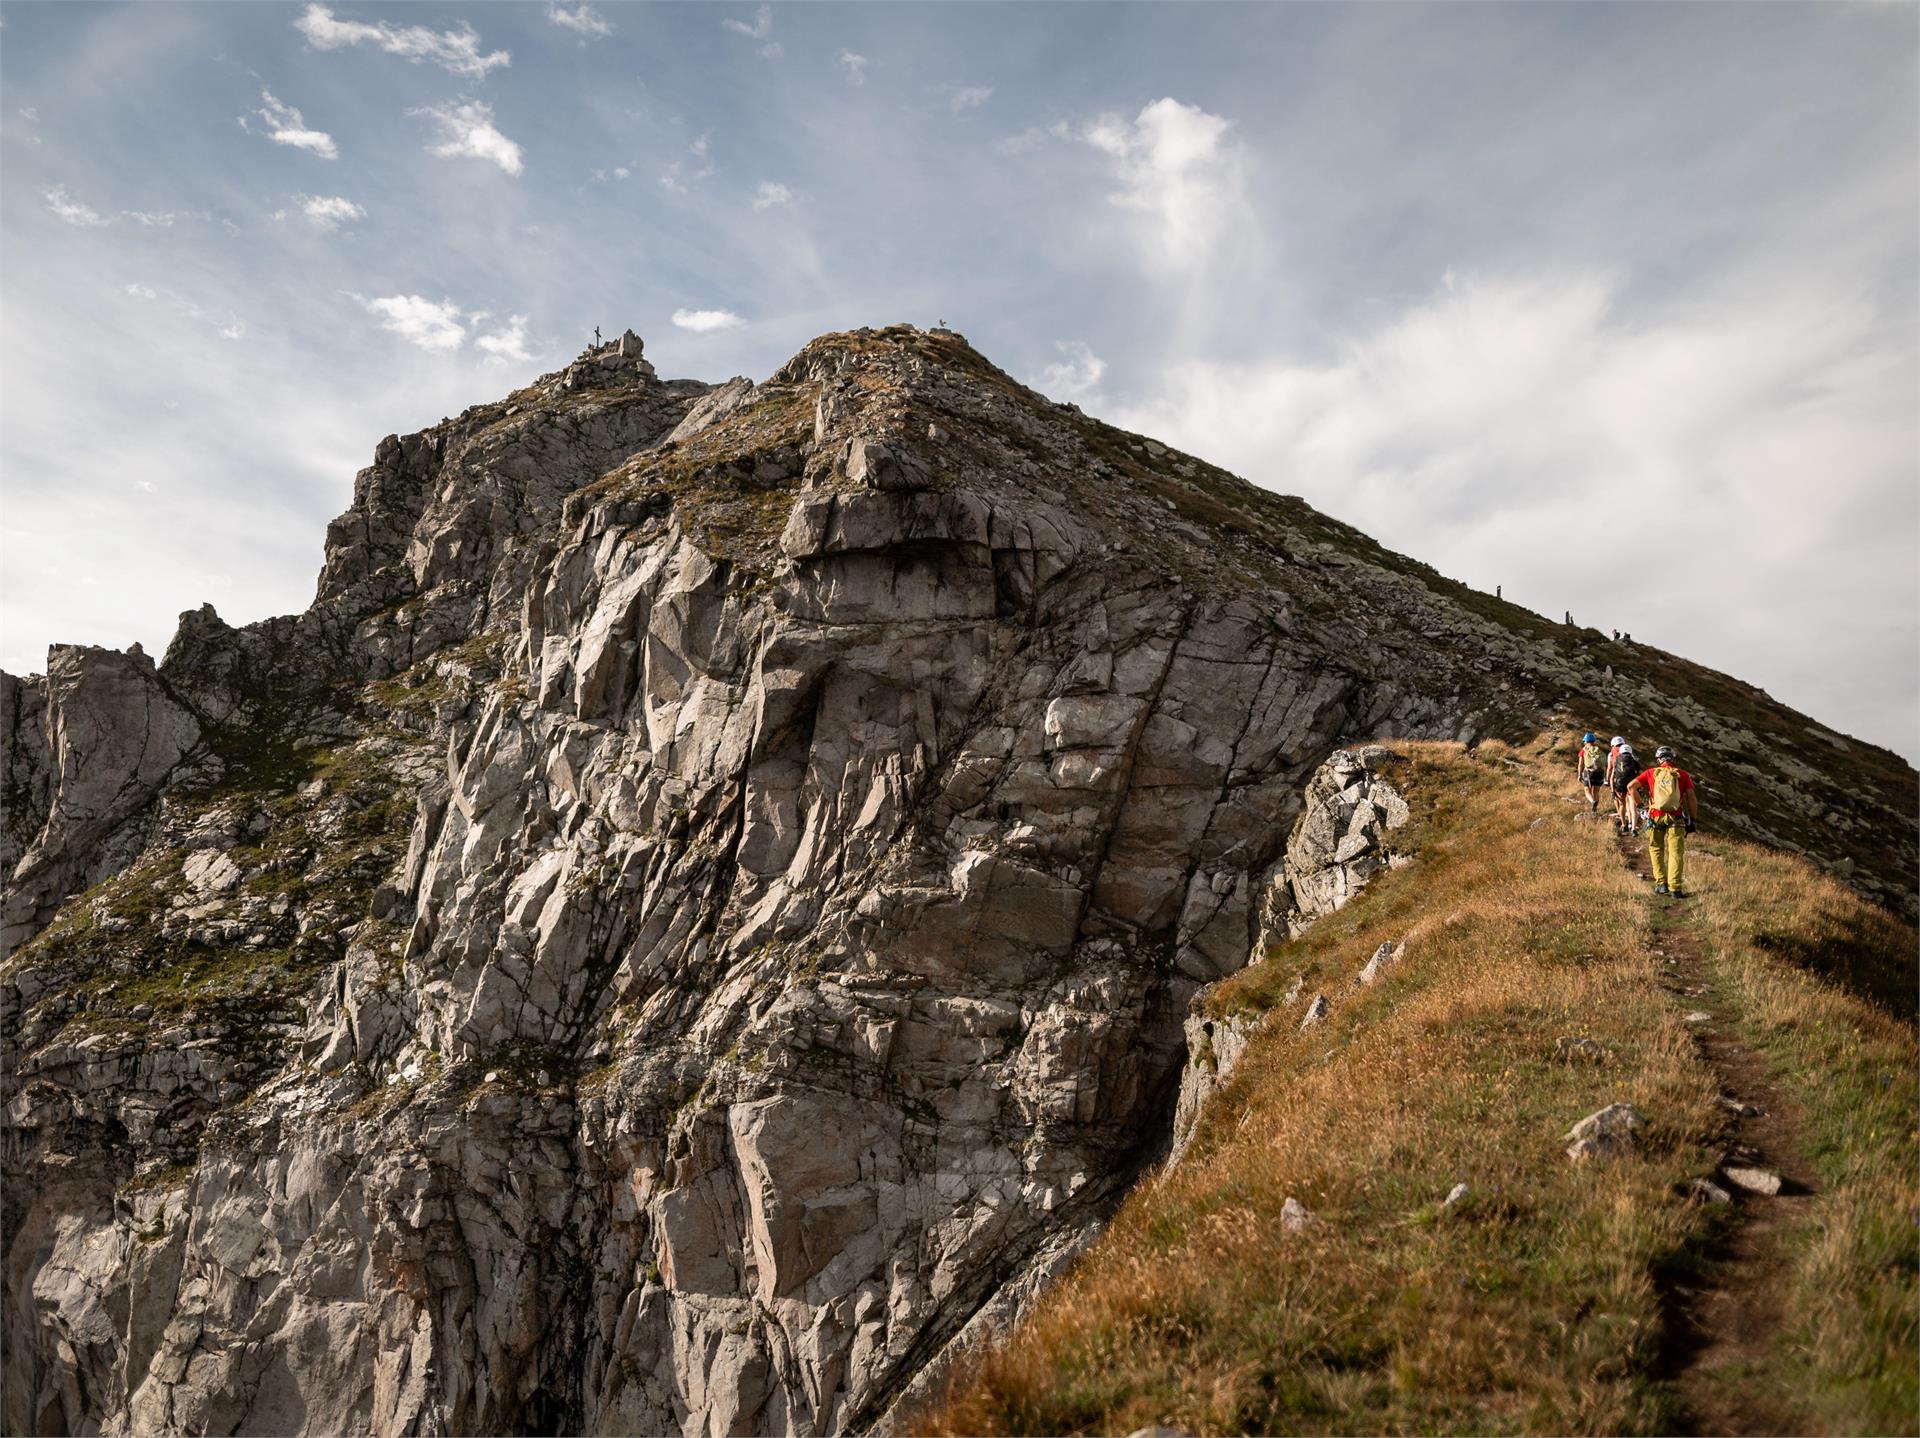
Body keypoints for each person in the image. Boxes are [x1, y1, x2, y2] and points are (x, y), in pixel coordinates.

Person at [1626, 745, 1698, 896]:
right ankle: (1675, 889)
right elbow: (1691, 797)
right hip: (1676, 818)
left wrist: (1640, 807)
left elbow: (1630, 787)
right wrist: (1693, 820)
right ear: (1672, 759)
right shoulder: (1682, 775)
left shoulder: (1651, 773)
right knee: (1675, 852)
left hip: (1655, 816)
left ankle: (1661, 884)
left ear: (1658, 759)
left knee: (1656, 849)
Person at [1609, 738, 1641, 833]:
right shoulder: (1634, 760)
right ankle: (1633, 828)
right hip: (1632, 786)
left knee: (1622, 805)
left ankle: (1624, 825)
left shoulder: (1616, 761)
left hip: (1619, 786)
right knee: (1633, 806)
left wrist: (1612, 790)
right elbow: (1640, 775)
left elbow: (1612, 777)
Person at [1575, 731, 1608, 813]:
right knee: (1596, 791)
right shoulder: (1598, 750)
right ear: (1594, 741)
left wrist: (1579, 775)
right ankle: (1595, 810)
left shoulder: (1583, 750)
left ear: (1585, 741)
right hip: (1600, 772)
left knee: (1587, 791)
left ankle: (1593, 802)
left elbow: (1580, 764)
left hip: (1589, 772)